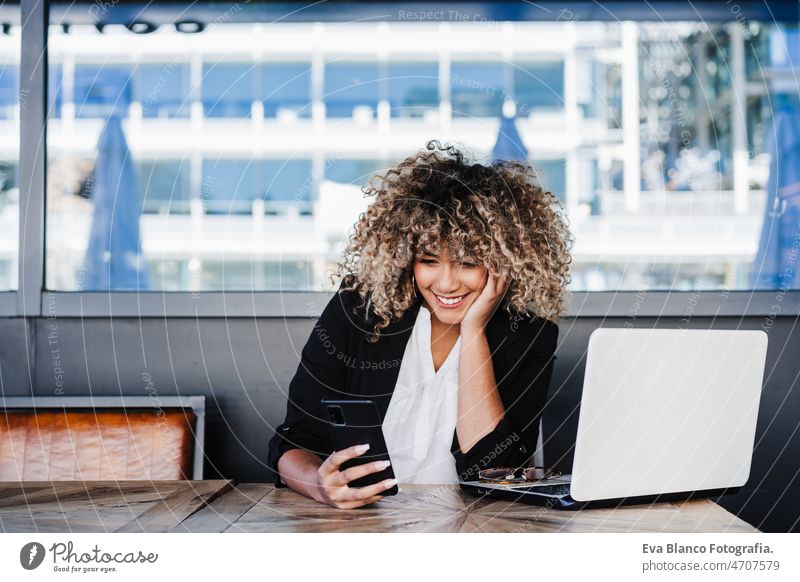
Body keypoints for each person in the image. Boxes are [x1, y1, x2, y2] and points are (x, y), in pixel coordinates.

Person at [267, 140, 572, 509]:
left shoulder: (529, 337)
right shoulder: (358, 310)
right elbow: (293, 441)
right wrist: (320, 485)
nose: (445, 284)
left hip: (473, 530)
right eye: (429, 260)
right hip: (363, 528)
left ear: (505, 262)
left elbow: (496, 471)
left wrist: (474, 331)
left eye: (467, 262)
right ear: (406, 256)